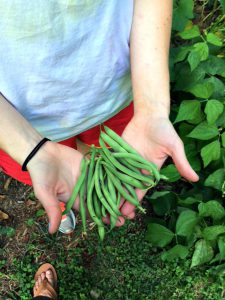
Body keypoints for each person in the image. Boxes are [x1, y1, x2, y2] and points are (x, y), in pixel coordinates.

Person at [0, 1, 199, 234]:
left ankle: (93, 184)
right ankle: (64, 201)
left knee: (100, 156)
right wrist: (31, 149)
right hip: (17, 125)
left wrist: (152, 108)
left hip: (115, 93)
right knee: (50, 173)